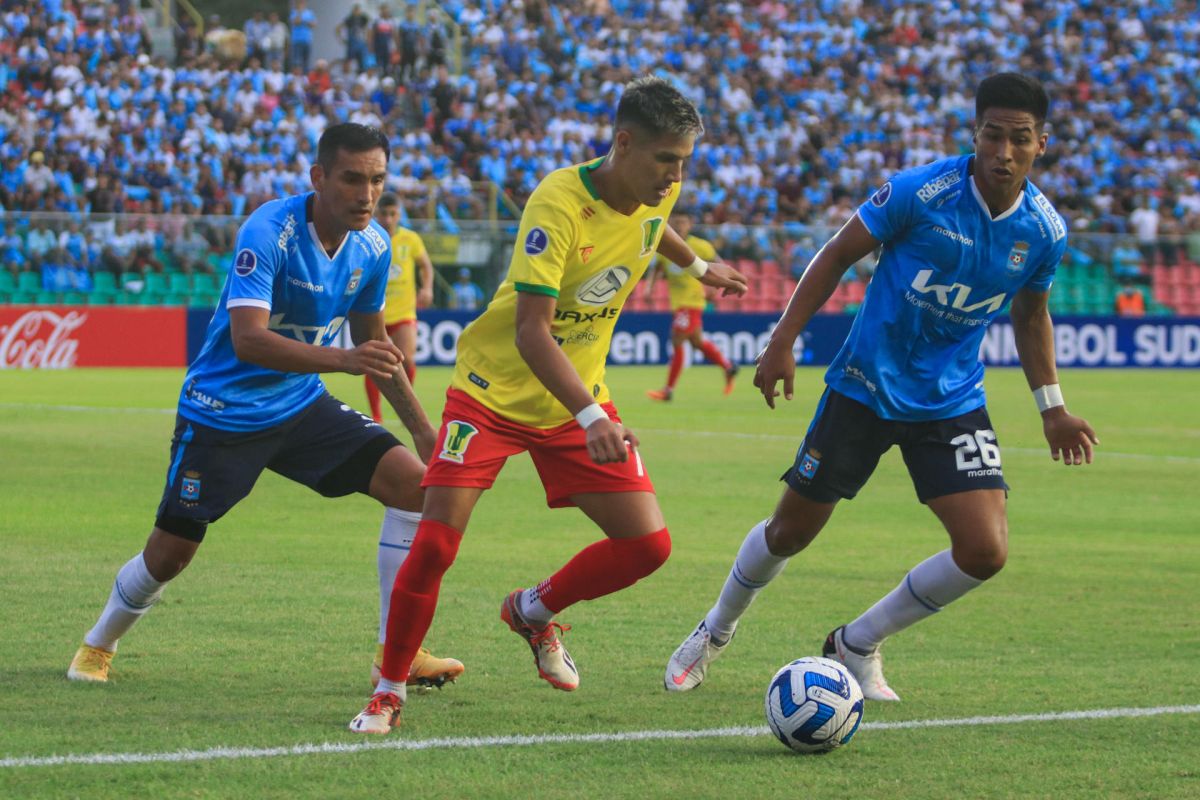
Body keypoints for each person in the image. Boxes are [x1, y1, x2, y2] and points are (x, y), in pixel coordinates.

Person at [665, 73, 1099, 702]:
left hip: (952, 399)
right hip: (865, 386)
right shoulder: (921, 191)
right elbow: (837, 254)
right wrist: (782, 340)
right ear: (975, 135)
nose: (1003, 151)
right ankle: (714, 631)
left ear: (1042, 144)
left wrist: (1052, 407)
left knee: (984, 551)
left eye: (1019, 139)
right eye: (993, 135)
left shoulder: (1044, 230)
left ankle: (856, 643)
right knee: (789, 532)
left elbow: (1031, 315)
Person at [349, 76, 749, 734]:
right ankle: (388, 691)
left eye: (683, 162)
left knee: (647, 544)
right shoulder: (559, 202)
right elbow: (533, 332)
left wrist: (702, 269)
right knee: (437, 541)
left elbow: (653, 228)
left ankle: (532, 611)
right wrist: (595, 420)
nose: (676, 176)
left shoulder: (658, 192)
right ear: (623, 143)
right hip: (491, 393)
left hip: (574, 398)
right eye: (665, 160)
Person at [68, 124, 463, 692]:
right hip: (223, 412)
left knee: (416, 486)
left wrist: (424, 431)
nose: (366, 194)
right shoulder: (269, 229)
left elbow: (376, 349)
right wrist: (342, 360)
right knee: (172, 552)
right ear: (319, 178)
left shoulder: (374, 245)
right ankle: (98, 643)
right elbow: (249, 339)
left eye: (377, 180)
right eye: (352, 179)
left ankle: (394, 653)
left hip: (299, 404)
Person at [644, 210, 738, 401]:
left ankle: (668, 390)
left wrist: (716, 286)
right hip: (678, 303)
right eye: (676, 222)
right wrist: (649, 288)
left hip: (692, 301)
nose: (679, 226)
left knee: (677, 339)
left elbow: (719, 264)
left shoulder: (700, 246)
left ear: (690, 224)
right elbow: (657, 269)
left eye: (683, 222)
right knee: (696, 342)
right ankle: (728, 367)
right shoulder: (666, 245)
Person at [365, 192, 435, 423]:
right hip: (377, 312)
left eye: (392, 214)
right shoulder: (368, 237)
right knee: (374, 363)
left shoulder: (411, 239)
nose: (388, 218)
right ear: (377, 213)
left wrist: (427, 288)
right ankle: (376, 415)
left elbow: (425, 266)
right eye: (383, 214)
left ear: (399, 214)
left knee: (407, 360)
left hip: (405, 311)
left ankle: (405, 405)